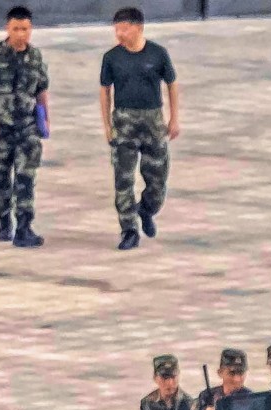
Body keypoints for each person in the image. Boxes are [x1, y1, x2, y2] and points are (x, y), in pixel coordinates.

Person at [99, 7, 180, 250]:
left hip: (153, 122)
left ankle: (146, 210)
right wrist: (106, 124)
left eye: (124, 29)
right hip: (124, 122)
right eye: (117, 29)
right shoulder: (111, 57)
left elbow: (172, 84)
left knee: (158, 178)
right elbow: (105, 90)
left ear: (138, 27)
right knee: (123, 179)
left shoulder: (157, 54)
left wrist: (174, 118)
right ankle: (128, 230)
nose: (120, 34)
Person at [0, 5, 47, 248]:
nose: (21, 34)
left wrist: (44, 119)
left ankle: (24, 227)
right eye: (16, 29)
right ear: (7, 28)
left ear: (30, 28)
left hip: (26, 128)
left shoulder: (36, 57)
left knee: (26, 177)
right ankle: (4, 220)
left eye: (25, 29)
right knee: (0, 176)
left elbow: (41, 89)